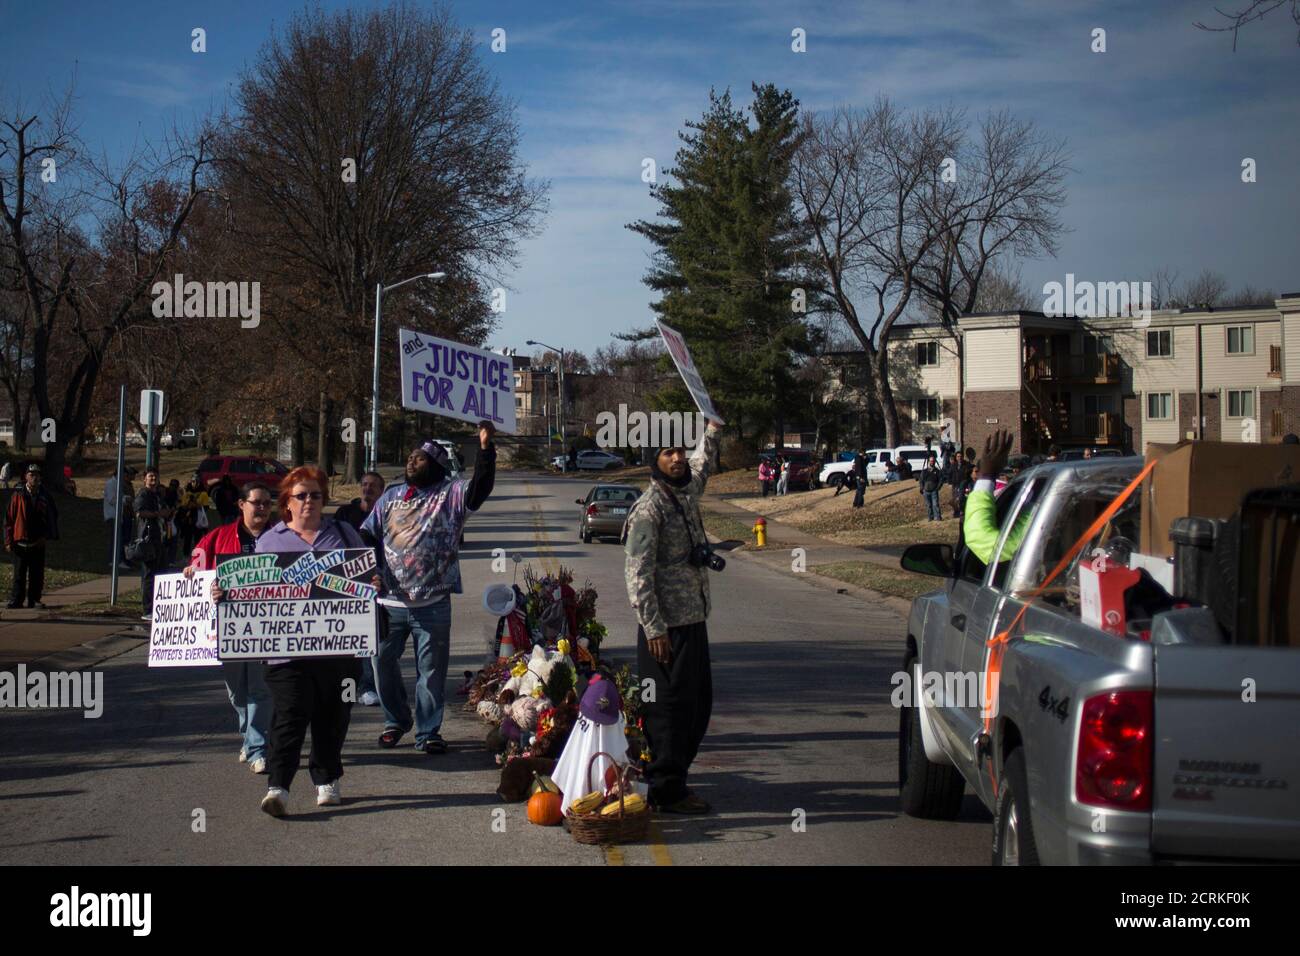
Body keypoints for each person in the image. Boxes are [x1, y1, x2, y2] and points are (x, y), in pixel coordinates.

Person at [362, 423, 497, 755]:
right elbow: (366, 536)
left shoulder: (450, 494)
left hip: (433, 601)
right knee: (381, 662)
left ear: (435, 465)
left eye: (419, 458)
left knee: (431, 672)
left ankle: (427, 732)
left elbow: (481, 487)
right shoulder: (389, 497)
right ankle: (396, 721)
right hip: (389, 602)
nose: (411, 462)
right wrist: (368, 572)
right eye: (410, 457)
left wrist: (484, 448)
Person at [242, 466, 367, 816]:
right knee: (291, 713)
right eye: (301, 495)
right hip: (286, 655)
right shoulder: (270, 540)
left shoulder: (342, 534)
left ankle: (327, 778)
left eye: (315, 494)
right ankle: (278, 787)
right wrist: (225, 593)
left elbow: (368, 575)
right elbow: (250, 591)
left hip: (341, 650)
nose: (309, 501)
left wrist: (373, 585)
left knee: (335, 714)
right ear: (287, 503)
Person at [624, 415, 722, 814]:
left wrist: (712, 430)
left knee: (698, 705)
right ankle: (666, 789)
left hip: (692, 620)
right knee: (669, 712)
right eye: (669, 453)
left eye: (680, 450)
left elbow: (701, 466)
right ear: (655, 461)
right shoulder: (649, 510)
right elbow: (637, 574)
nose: (679, 458)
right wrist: (653, 628)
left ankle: (674, 779)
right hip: (665, 630)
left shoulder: (682, 493)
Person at [185, 482, 274, 773]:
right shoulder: (219, 537)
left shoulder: (281, 537)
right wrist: (193, 575)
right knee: (237, 692)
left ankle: (258, 748)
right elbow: (197, 566)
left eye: (266, 503)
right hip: (228, 626)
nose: (261, 508)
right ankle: (249, 738)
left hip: (268, 626)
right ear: (241, 505)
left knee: (260, 689)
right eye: (256, 502)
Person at [335, 470, 386, 706]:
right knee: (352, 636)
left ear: (381, 491)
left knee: (376, 636)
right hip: (347, 582)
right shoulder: (345, 514)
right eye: (364, 484)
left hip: (378, 582)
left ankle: (373, 684)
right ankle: (356, 686)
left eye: (373, 486)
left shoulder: (386, 514)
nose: (367, 489)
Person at [5, 464, 59, 609]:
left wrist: (46, 536)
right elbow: (9, 519)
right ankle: (17, 599)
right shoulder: (17, 495)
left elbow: (52, 516)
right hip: (20, 542)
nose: (34, 477)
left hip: (37, 542)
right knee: (19, 575)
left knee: (37, 575)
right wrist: (8, 541)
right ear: (26, 477)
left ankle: (34, 599)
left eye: (37, 474)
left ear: (40, 477)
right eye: (31, 474)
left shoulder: (45, 495)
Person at [133, 466, 174, 620]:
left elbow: (165, 511)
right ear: (144, 479)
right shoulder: (143, 494)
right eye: (150, 476)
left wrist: (168, 513)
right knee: (149, 575)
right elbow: (139, 511)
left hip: (160, 538)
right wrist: (157, 514)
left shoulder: (157, 495)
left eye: (155, 477)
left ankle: (158, 607)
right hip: (148, 540)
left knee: (161, 573)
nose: (153, 479)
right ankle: (147, 610)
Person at [103, 466, 135, 570]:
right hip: (112, 515)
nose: (126, 477)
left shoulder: (118, 484)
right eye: (125, 475)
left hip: (118, 516)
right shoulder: (111, 484)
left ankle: (118, 560)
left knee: (118, 539)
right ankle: (113, 561)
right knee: (114, 539)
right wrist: (125, 499)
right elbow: (112, 500)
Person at [176, 473, 211, 560]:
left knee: (198, 539)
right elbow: (183, 506)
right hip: (188, 519)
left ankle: (198, 556)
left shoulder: (203, 494)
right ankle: (186, 555)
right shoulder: (187, 493)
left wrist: (196, 504)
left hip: (198, 519)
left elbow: (205, 507)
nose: (194, 483)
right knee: (187, 538)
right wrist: (188, 505)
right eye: (192, 481)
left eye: (196, 481)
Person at [162, 478, 181, 567]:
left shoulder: (176, 495)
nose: (172, 488)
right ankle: (165, 560)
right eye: (171, 485)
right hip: (164, 520)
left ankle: (171, 560)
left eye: (175, 486)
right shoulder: (165, 493)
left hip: (172, 520)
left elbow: (178, 505)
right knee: (165, 541)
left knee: (173, 541)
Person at [919, 455, 943, 521]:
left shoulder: (937, 471)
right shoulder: (924, 471)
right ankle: (930, 517)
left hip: (934, 491)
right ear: (929, 462)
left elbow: (941, 480)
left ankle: (938, 517)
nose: (932, 462)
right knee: (928, 505)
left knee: (935, 504)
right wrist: (922, 488)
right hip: (926, 491)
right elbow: (921, 480)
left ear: (935, 462)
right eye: (931, 461)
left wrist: (938, 488)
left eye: (933, 461)